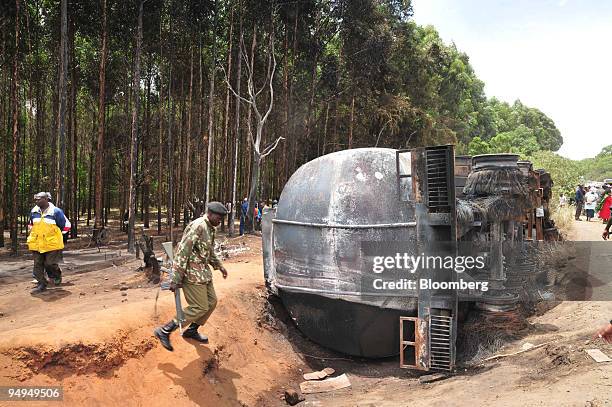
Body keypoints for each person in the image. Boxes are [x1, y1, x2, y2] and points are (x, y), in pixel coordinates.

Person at [154, 202, 229, 352]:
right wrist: (175, 278)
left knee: (212, 302)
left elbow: (208, 252)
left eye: (222, 218)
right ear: (210, 214)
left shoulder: (210, 228)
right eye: (219, 217)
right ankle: (165, 330)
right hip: (191, 274)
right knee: (199, 306)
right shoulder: (198, 226)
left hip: (203, 273)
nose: (220, 220)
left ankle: (192, 330)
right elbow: (183, 251)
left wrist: (220, 266)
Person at [28, 192, 71, 294]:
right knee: (37, 264)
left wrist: (56, 235)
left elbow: (65, 225)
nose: (36, 201)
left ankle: (56, 275)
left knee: (50, 263)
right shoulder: (34, 211)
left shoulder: (56, 212)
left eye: (39, 199)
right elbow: (31, 224)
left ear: (46, 199)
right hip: (37, 243)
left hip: (52, 244)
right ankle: (41, 284)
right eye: (36, 199)